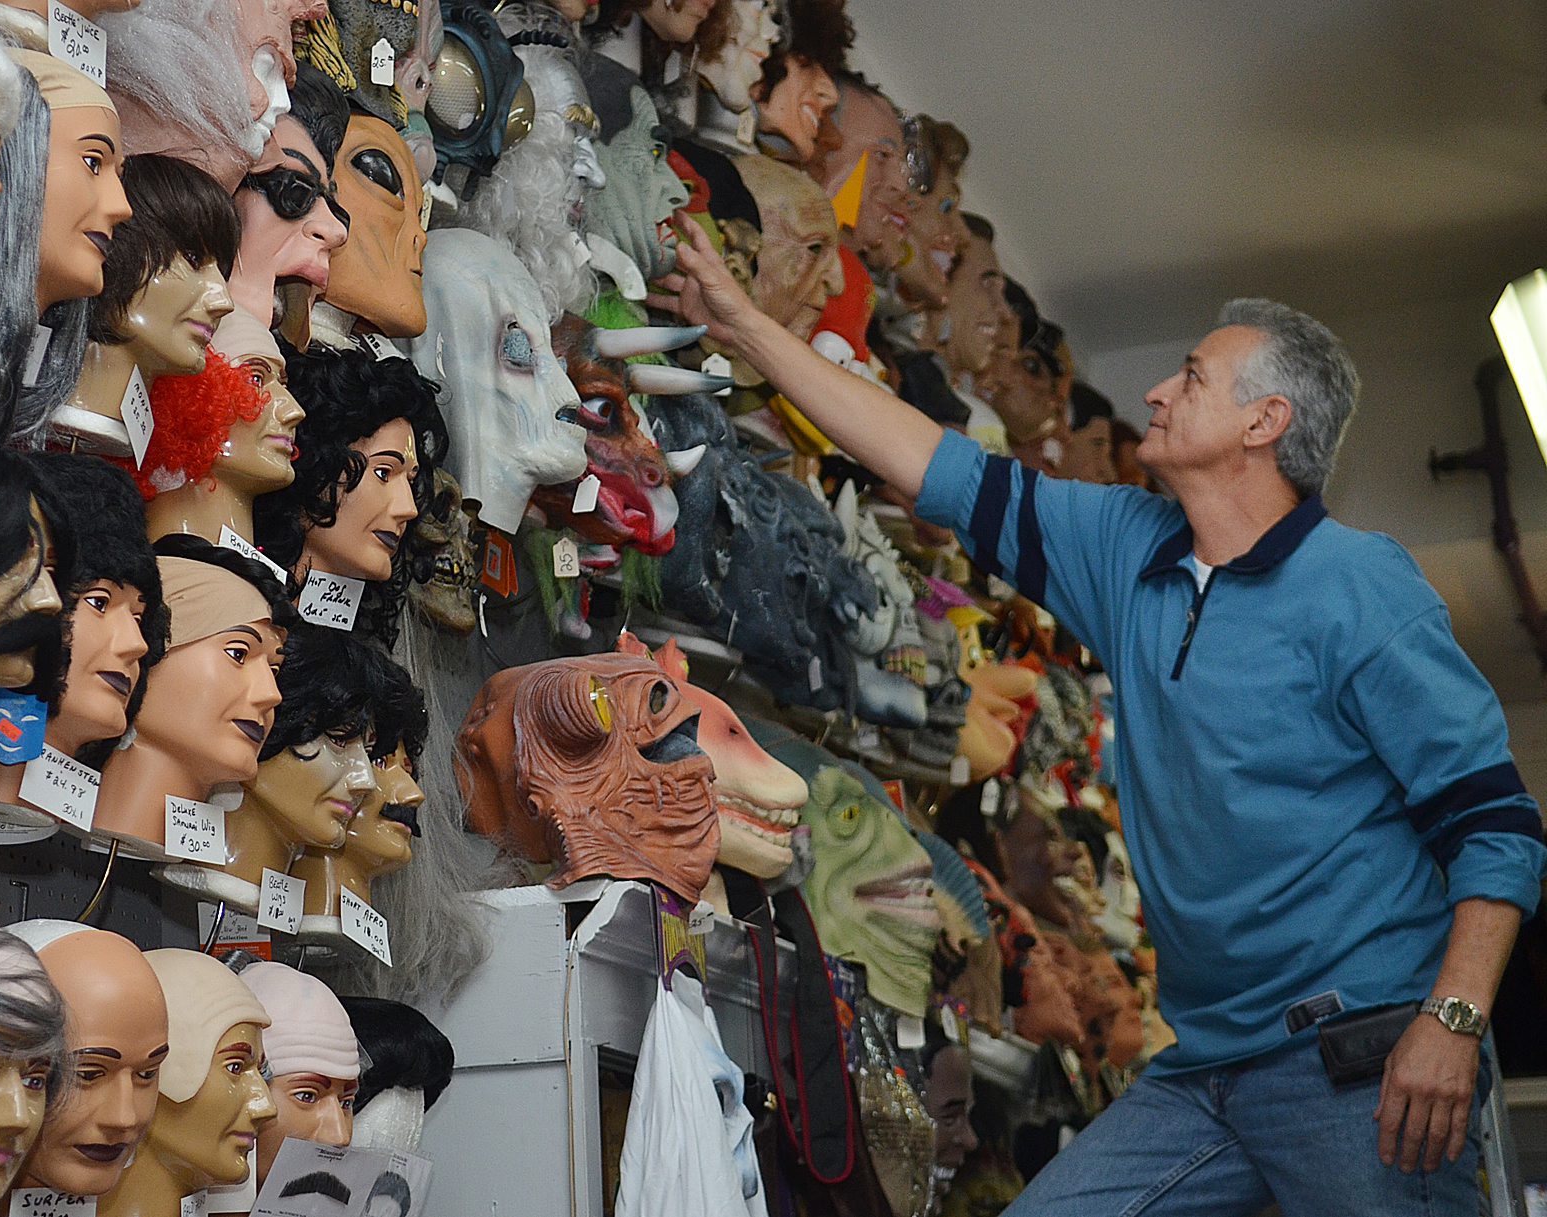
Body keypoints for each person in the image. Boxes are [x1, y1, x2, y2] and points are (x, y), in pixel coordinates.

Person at [651, 211, 1545, 1213]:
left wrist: (1453, 1019)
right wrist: (740, 326)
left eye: (1193, 377)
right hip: (1205, 1070)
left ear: (1265, 422)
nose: (1156, 391)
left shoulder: (1357, 585)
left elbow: (1494, 824)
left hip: (1357, 1062)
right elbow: (929, 463)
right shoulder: (1129, 545)